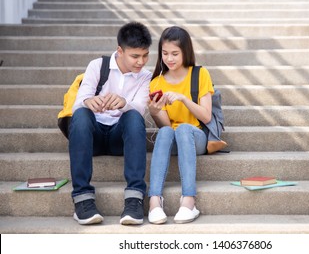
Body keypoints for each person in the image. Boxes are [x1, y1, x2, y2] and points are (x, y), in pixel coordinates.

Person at [69, 21, 152, 225]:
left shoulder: (146, 76)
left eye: (145, 55)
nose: (141, 61)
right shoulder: (98, 65)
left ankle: (134, 199)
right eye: (135, 56)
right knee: (80, 115)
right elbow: (79, 101)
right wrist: (89, 101)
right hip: (93, 135)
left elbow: (141, 108)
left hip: (119, 140)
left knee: (133, 116)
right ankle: (82, 200)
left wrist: (124, 103)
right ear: (120, 50)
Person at [147, 26, 214, 224]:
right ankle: (154, 202)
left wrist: (184, 99)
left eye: (175, 53)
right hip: (174, 139)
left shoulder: (200, 74)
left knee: (184, 128)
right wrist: (155, 111)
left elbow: (207, 116)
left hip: (197, 137)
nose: (169, 58)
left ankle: (189, 201)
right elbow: (166, 126)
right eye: (165, 53)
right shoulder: (157, 83)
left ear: (186, 51)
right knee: (167, 131)